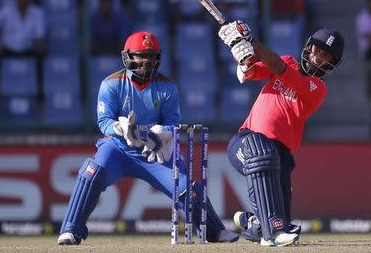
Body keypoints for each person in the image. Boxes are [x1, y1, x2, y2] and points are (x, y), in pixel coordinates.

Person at [57, 31, 239, 245]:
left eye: (151, 56)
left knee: (184, 186)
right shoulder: (111, 84)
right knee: (91, 172)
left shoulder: (167, 87)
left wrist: (164, 134)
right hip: (118, 149)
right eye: (140, 55)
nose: (146, 61)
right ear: (128, 57)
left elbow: (172, 122)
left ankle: (215, 231)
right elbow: (103, 121)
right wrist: (120, 127)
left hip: (153, 151)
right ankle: (70, 230)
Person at [218, 21, 344, 246]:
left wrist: (251, 41)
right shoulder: (287, 61)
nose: (317, 56)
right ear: (308, 47)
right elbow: (253, 71)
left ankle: (253, 222)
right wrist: (243, 54)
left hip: (280, 156)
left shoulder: (317, 88)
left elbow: (277, 68)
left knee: (281, 221)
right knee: (262, 157)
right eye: (316, 49)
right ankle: (271, 233)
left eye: (325, 55)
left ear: (331, 63)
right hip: (247, 140)